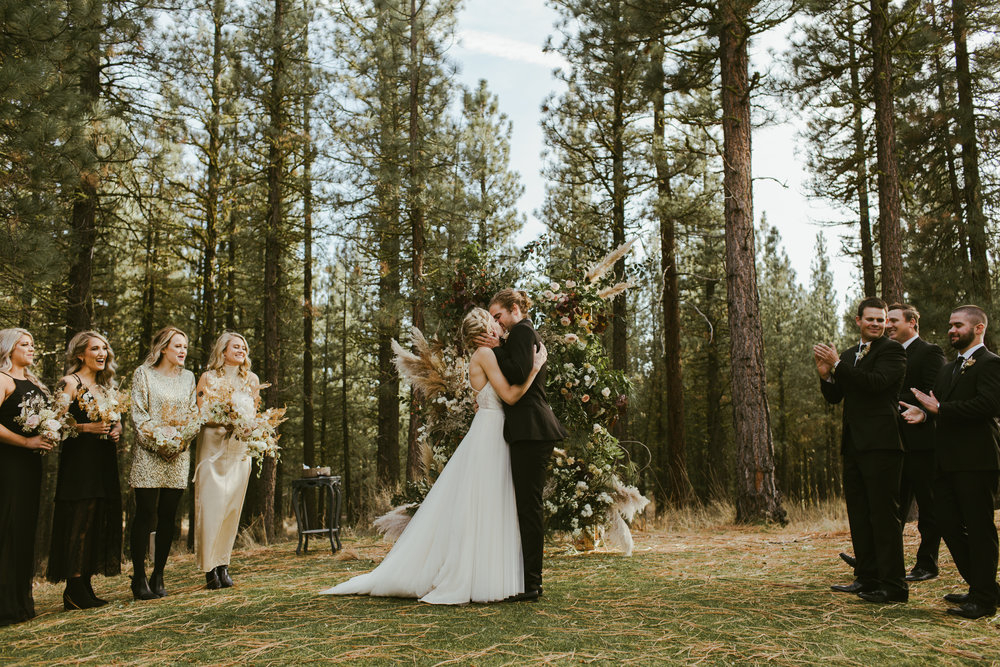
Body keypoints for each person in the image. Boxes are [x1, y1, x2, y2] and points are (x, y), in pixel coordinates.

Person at [321, 308, 547, 604]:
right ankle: (478, 574)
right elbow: (510, 395)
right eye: (493, 321)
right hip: (491, 433)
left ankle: (493, 572)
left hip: (493, 430)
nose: (498, 324)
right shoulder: (485, 355)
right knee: (485, 503)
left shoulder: (485, 354)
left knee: (490, 503)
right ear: (486, 329)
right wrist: (535, 368)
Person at [902, 305, 1000, 619]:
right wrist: (924, 413)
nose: (952, 330)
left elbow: (988, 405)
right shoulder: (947, 369)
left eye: (958, 325)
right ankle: (983, 586)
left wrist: (940, 410)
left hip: (977, 460)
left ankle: (984, 600)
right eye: (950, 325)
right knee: (945, 522)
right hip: (945, 462)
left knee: (980, 528)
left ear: (979, 328)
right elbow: (938, 407)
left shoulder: (991, 364)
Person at [815, 296, 908, 604]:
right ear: (858, 321)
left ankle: (894, 586)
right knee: (859, 513)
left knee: (883, 515)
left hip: (882, 444)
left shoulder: (892, 351)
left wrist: (838, 366)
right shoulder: (848, 355)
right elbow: (835, 397)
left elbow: (875, 383)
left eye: (881, 320)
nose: (876, 324)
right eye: (871, 319)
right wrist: (826, 376)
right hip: (854, 445)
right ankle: (866, 578)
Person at [482, 288, 568, 602]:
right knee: (526, 507)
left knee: (529, 508)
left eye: (498, 316)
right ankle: (527, 580)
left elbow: (518, 374)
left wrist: (497, 349)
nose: (497, 324)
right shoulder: (521, 334)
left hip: (532, 430)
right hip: (529, 430)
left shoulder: (521, 332)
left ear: (515, 309)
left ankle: (532, 583)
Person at [47, 331, 124, 610]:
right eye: (95, 349)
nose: (102, 353)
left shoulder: (106, 388)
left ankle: (87, 584)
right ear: (80, 354)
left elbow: (117, 420)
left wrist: (117, 429)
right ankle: (73, 588)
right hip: (79, 461)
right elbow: (54, 423)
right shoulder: (70, 383)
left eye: (104, 348)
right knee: (79, 519)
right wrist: (86, 427)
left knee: (97, 518)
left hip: (104, 459)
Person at [129, 326, 197, 600]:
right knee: (145, 513)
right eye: (178, 346)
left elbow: (193, 414)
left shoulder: (188, 377)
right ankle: (139, 577)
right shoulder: (143, 374)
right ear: (163, 348)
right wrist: (159, 443)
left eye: (185, 347)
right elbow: (138, 414)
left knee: (169, 514)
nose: (183, 351)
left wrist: (179, 443)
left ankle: (158, 574)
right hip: (149, 453)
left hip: (178, 455)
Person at [194, 332, 259, 590]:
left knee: (232, 507)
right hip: (213, 446)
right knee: (211, 507)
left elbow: (254, 413)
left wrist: (249, 426)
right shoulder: (207, 378)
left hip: (238, 449)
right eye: (236, 347)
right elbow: (201, 413)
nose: (242, 350)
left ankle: (223, 564)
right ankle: (209, 567)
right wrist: (227, 419)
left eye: (244, 347)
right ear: (223, 351)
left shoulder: (252, 380)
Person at [0, 329, 54, 625]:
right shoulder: (3, 379)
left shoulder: (34, 383)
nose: (31, 348)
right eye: (25, 344)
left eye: (33, 344)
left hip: (31, 465)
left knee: (23, 528)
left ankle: (21, 603)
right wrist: (25, 442)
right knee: (7, 525)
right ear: (9, 348)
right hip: (8, 463)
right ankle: (5, 606)